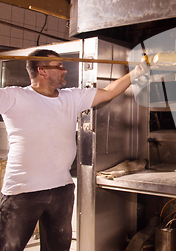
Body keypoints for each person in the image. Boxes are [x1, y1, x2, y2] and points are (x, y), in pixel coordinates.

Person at [0, 48, 148, 251]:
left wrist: (138, 71)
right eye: (59, 66)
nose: (64, 70)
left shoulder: (70, 97)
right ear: (42, 70)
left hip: (61, 189)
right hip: (23, 191)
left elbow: (109, 92)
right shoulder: (14, 96)